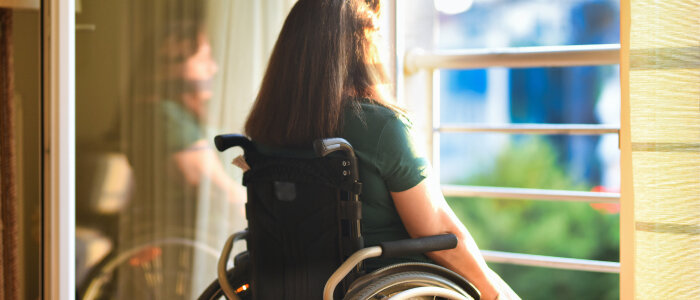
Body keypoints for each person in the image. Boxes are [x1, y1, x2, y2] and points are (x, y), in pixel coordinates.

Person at [244, 0, 519, 299]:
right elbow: (437, 233)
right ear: (363, 43)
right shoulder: (379, 125)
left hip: (292, 284)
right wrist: (495, 295)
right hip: (383, 287)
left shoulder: (267, 128)